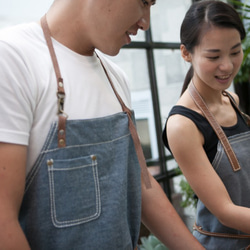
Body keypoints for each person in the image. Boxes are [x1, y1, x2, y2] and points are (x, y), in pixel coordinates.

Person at [0, 0, 204, 249]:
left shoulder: (116, 77)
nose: (146, 22)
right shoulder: (12, 58)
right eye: (143, 2)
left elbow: (142, 187)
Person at [162, 0, 250, 249]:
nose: (228, 65)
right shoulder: (182, 125)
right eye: (214, 56)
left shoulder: (232, 100)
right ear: (186, 53)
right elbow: (226, 211)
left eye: (235, 51)